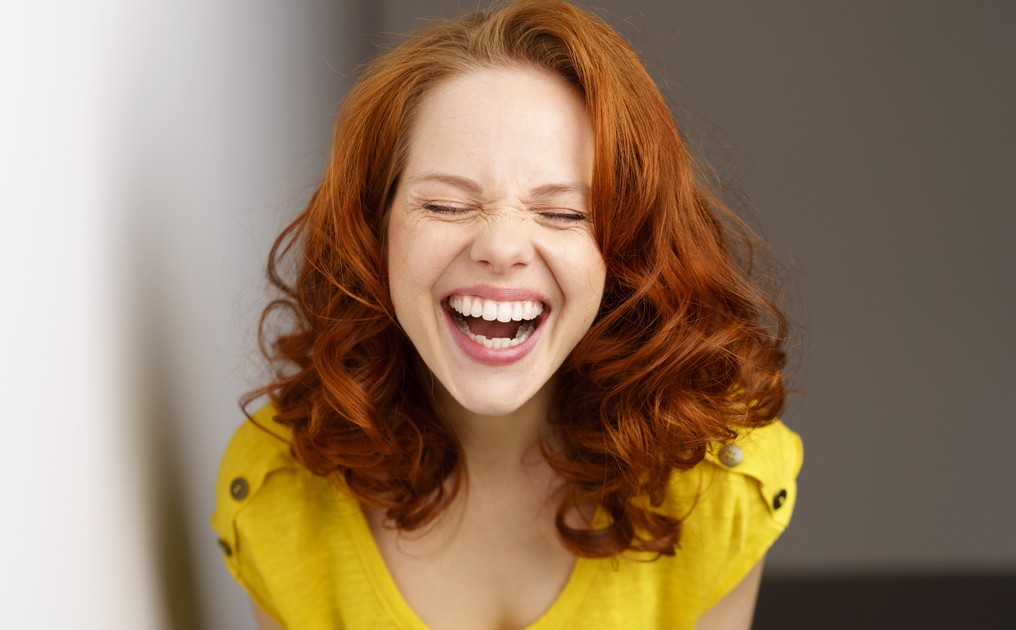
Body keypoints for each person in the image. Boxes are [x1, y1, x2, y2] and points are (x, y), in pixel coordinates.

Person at [213, 1, 802, 628]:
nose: (500, 247)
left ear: (629, 252)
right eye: (444, 205)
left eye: (564, 213)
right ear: (373, 230)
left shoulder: (722, 484)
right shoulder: (275, 495)